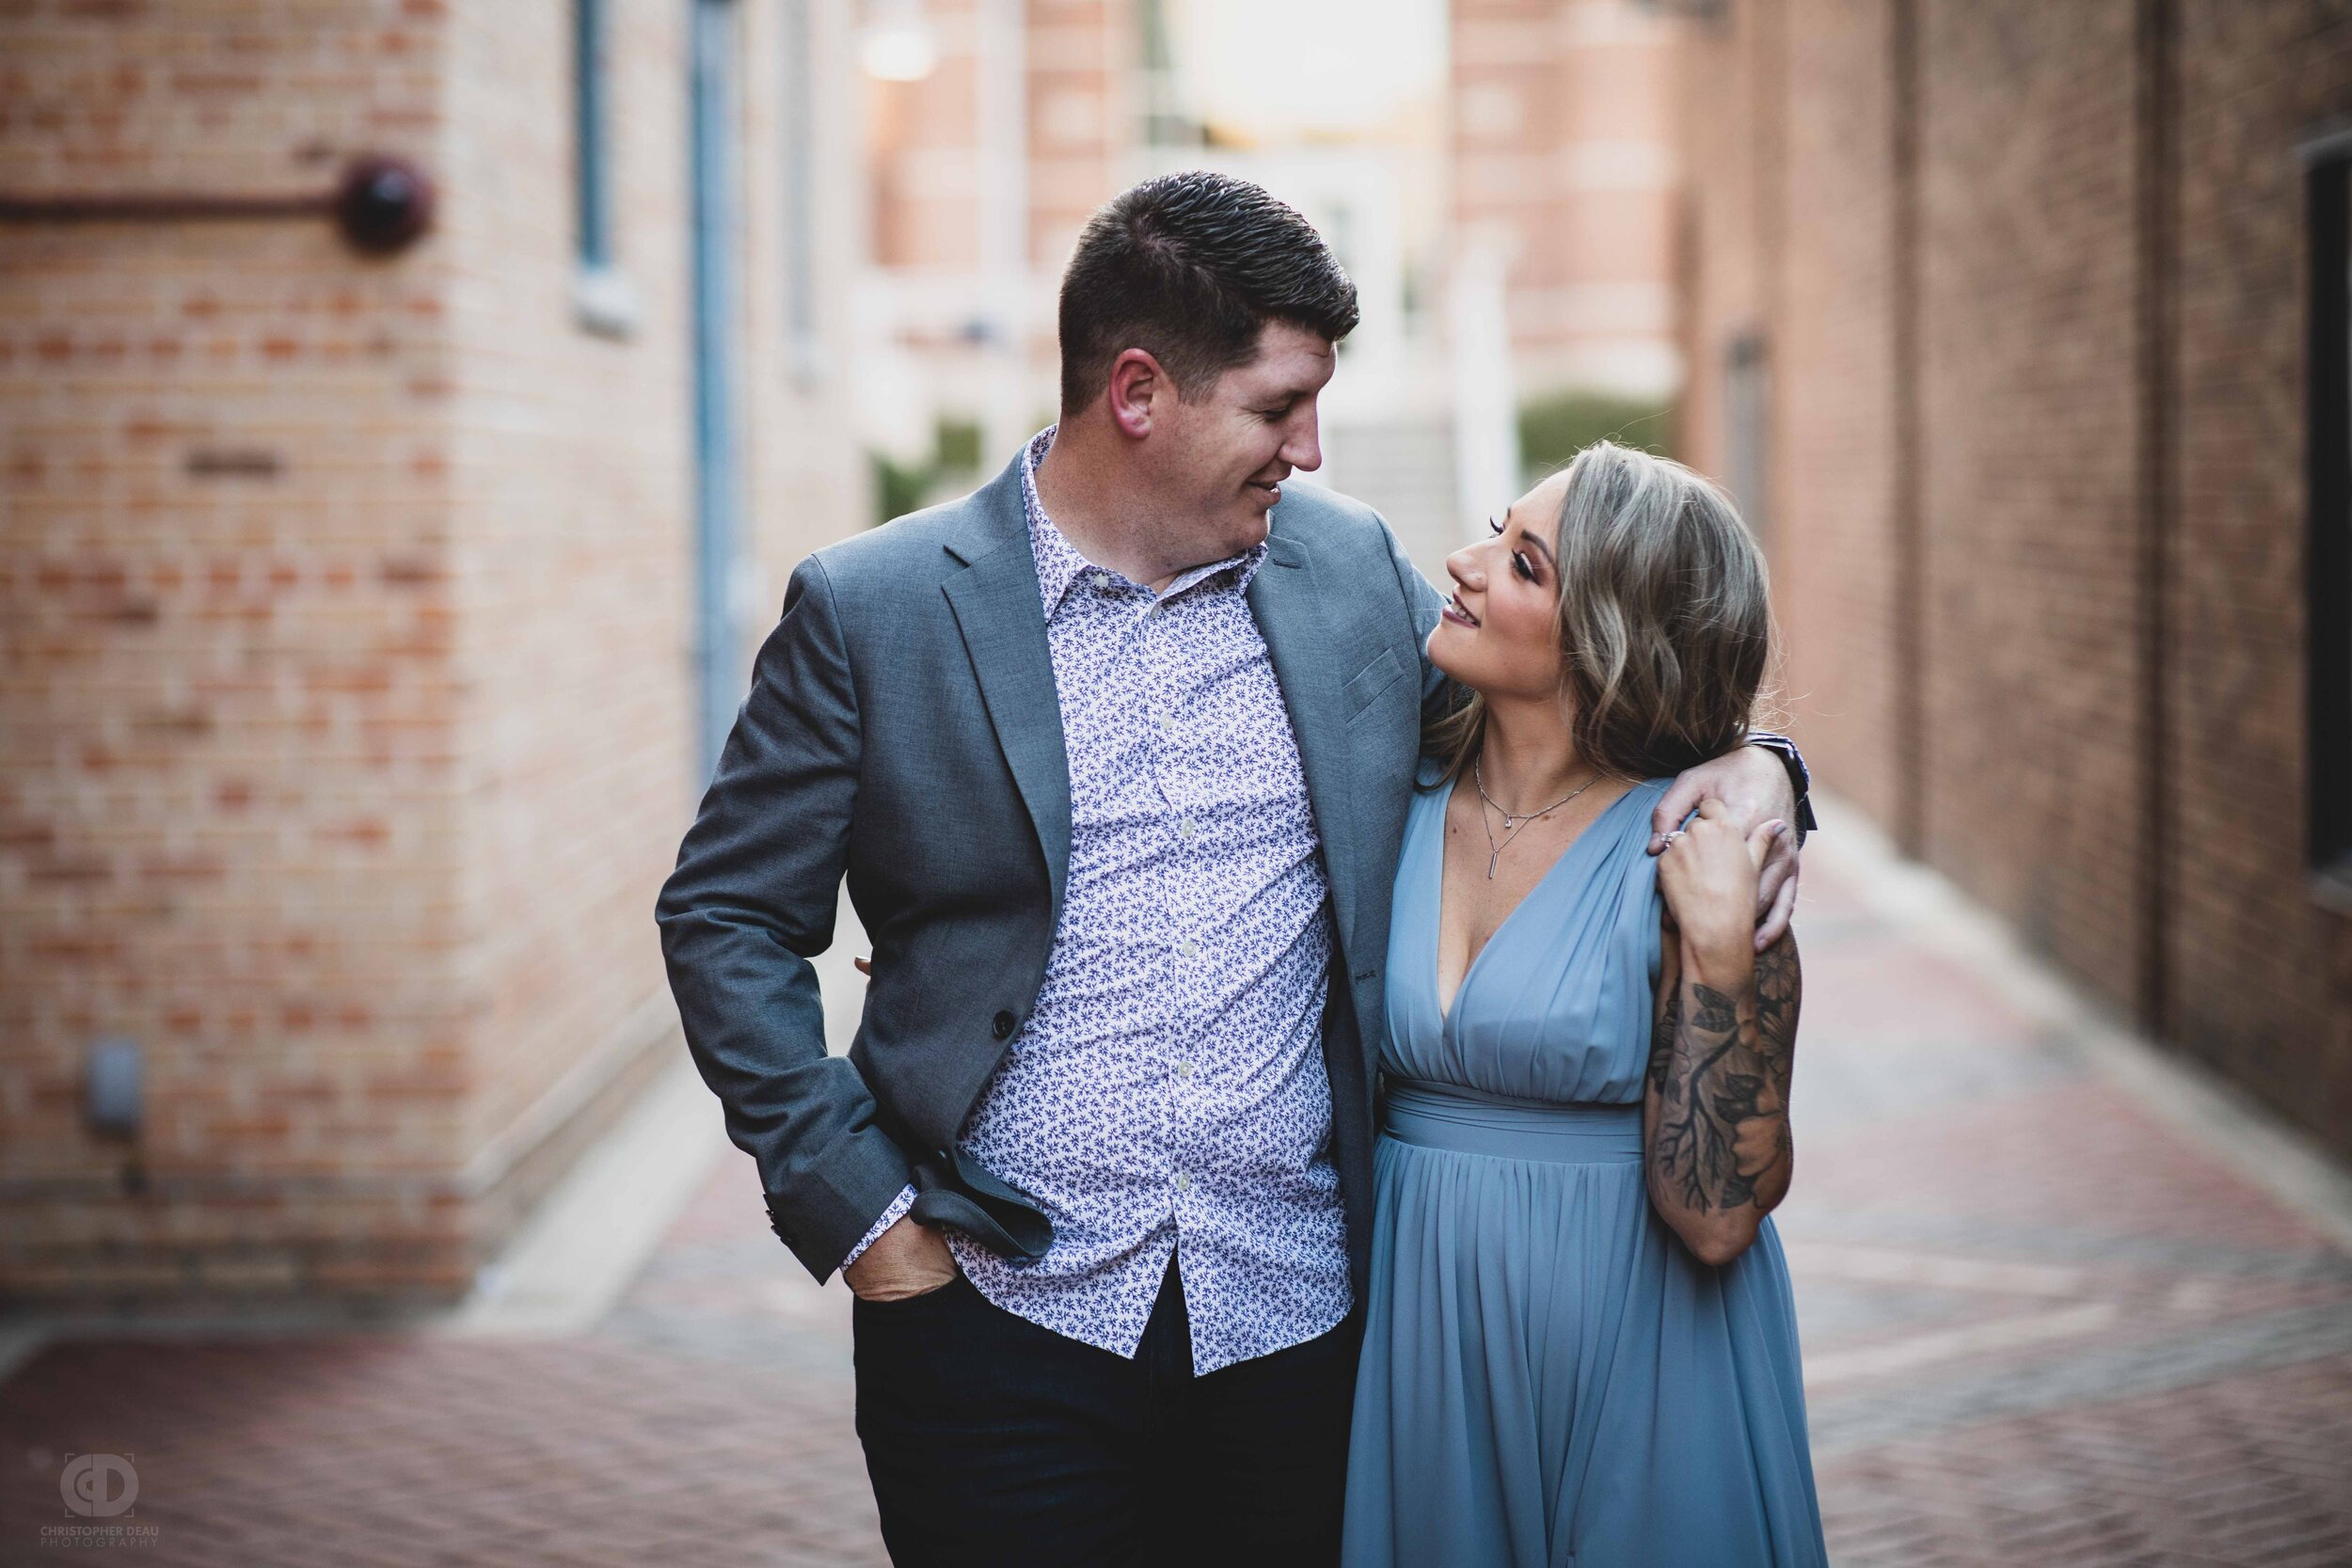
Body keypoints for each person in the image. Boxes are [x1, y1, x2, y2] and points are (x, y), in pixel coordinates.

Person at [655, 172, 1810, 1567]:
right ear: (1138, 393)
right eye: (1277, 408)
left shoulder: (1352, 582)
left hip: (1304, 1332)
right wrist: (865, 1217)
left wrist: (1766, 772)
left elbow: (1597, 697)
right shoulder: (878, 609)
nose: (1311, 450)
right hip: (995, 1322)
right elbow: (724, 915)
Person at [1341, 442, 1828, 1566]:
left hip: (1640, 1344)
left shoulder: (1696, 855)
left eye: (1521, 563)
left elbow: (1716, 1217)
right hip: (1423, 1339)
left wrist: (1715, 953)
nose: (1459, 565)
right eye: (1496, 531)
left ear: (1608, 639)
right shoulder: (1387, 790)